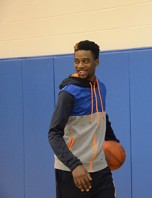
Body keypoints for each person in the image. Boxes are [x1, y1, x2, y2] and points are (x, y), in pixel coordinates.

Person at [48, 40, 119, 198]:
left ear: (96, 62)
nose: (80, 66)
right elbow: (53, 134)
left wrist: (114, 141)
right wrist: (74, 165)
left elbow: (101, 119)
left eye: (85, 61)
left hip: (100, 169)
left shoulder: (101, 88)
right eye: (76, 61)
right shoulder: (68, 94)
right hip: (72, 171)